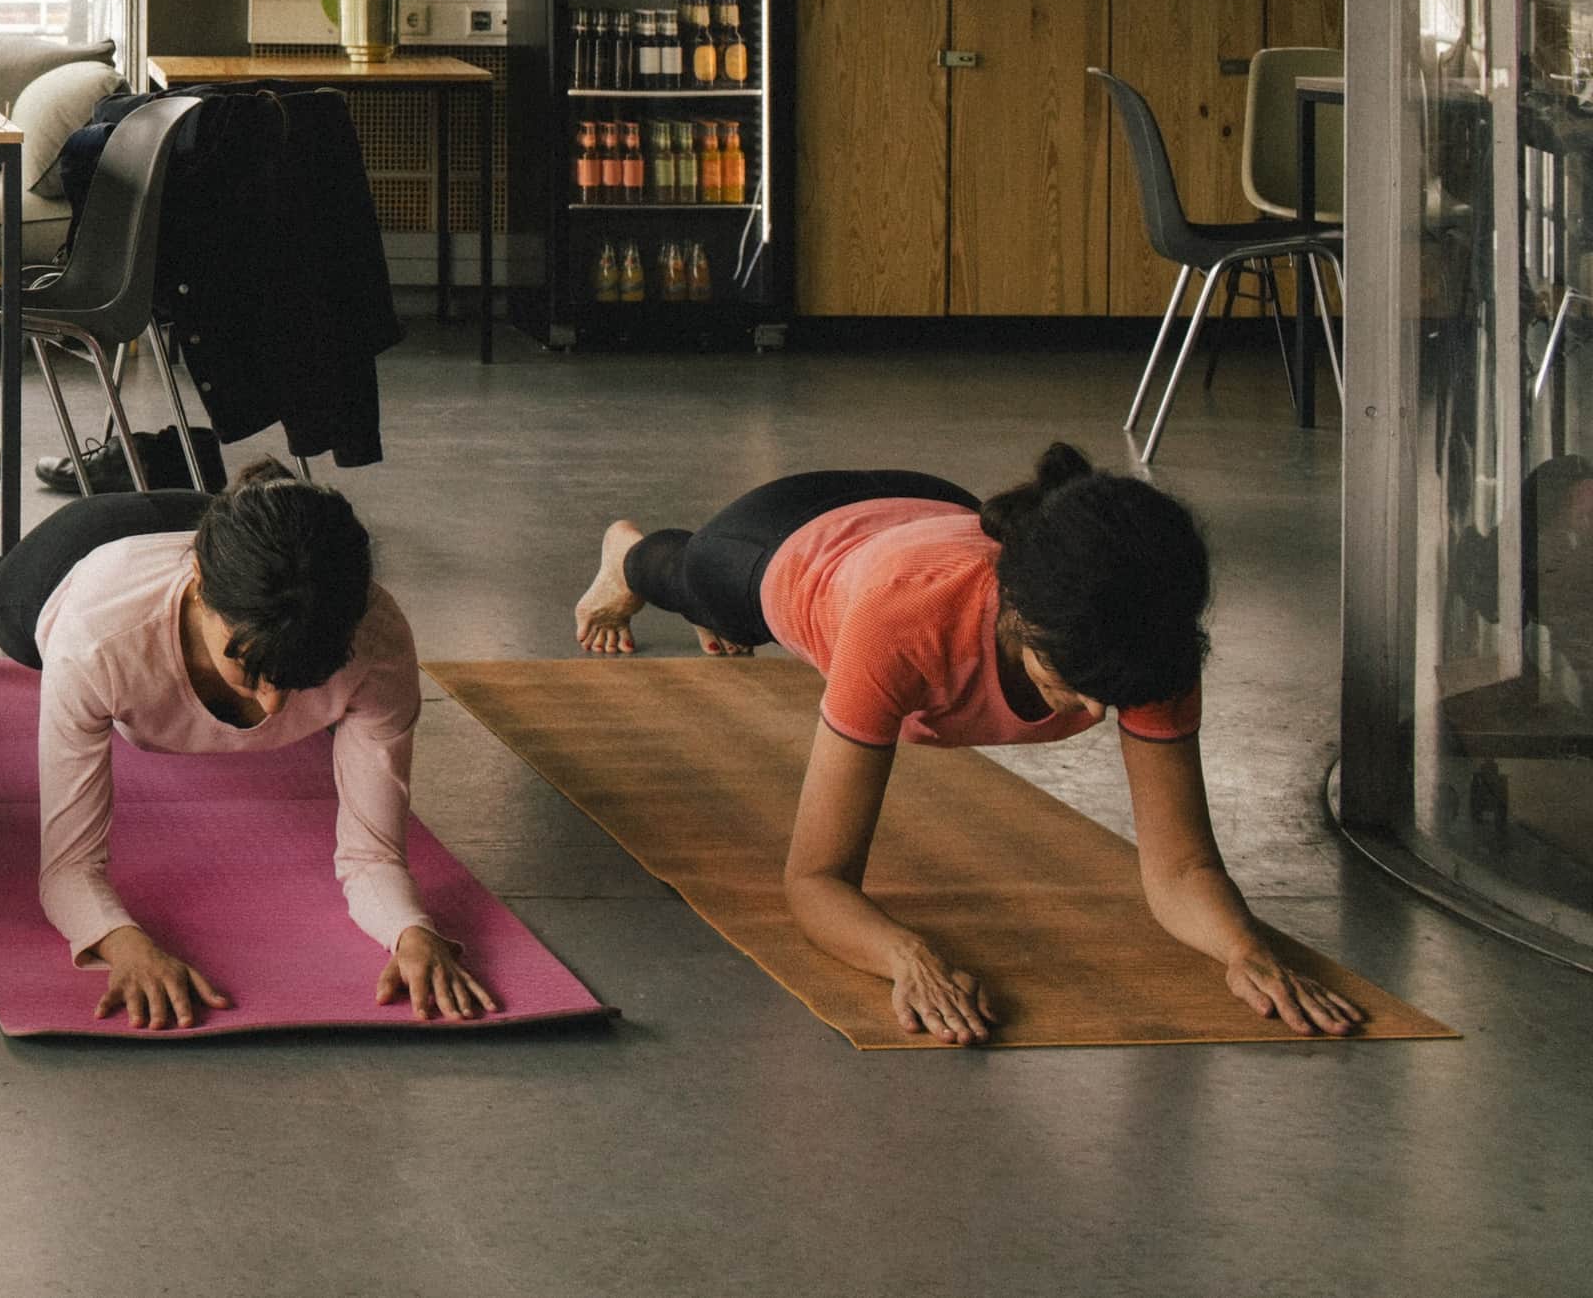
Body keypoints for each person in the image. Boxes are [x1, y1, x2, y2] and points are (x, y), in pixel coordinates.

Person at [571, 443, 1367, 1044]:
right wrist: (904, 954)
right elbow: (815, 878)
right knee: (698, 583)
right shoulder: (904, 623)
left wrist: (1243, 949)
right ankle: (627, 552)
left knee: (746, 615)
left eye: (1111, 691)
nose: (1094, 706)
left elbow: (1183, 866)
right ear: (1018, 613)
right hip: (781, 542)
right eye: (1075, 678)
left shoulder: (1140, 637)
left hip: (928, 508)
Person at [0, 464, 495, 1031]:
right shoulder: (96, 639)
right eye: (250, 669)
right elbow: (69, 868)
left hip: (236, 541)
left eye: (299, 680)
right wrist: (124, 945)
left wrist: (413, 932)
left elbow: (373, 856)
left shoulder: (374, 638)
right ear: (199, 591)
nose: (271, 708)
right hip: (82, 554)